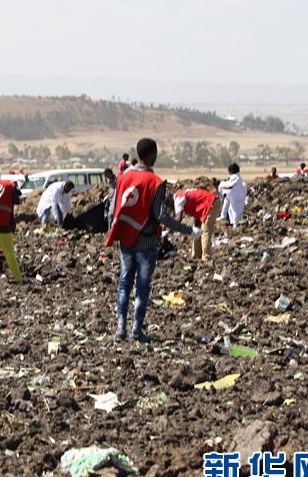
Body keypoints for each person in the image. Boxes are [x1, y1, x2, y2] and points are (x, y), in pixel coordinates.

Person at [106, 138, 198, 342]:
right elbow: (161, 215)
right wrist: (187, 230)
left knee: (124, 283)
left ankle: (120, 329)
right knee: (142, 287)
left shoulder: (122, 178)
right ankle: (136, 330)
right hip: (146, 244)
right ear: (151, 155)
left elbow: (113, 211)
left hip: (126, 243)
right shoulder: (155, 182)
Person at [174, 187, 220, 261]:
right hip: (205, 205)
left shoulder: (178, 199)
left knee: (205, 230)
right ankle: (196, 255)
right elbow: (196, 202)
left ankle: (206, 258)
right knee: (197, 229)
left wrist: (168, 226)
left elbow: (178, 218)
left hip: (211, 204)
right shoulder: (182, 195)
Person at [218, 162, 248, 227]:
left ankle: (235, 225)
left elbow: (231, 185)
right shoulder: (236, 176)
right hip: (235, 195)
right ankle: (223, 216)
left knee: (235, 211)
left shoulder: (235, 176)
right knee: (228, 205)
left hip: (236, 196)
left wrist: (222, 184)